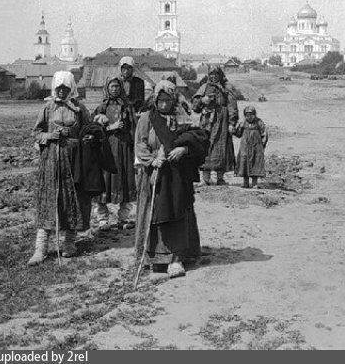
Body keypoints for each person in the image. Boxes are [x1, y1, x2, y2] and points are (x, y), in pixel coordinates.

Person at [134, 80, 209, 278]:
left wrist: (183, 149)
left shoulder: (181, 116)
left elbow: (198, 138)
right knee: (153, 212)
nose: (164, 104)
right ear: (155, 100)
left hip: (177, 177)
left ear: (174, 99)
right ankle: (154, 257)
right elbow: (140, 143)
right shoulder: (147, 118)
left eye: (168, 100)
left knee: (178, 213)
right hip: (154, 176)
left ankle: (177, 258)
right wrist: (151, 161)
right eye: (160, 100)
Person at [28, 71, 93, 265]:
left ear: (71, 88)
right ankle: (41, 248)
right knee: (50, 199)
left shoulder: (79, 108)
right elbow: (36, 133)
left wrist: (86, 137)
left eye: (65, 88)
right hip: (52, 160)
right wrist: (50, 136)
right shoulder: (48, 107)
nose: (62, 92)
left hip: (74, 160)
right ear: (55, 88)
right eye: (59, 88)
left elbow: (89, 130)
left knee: (72, 198)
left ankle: (69, 243)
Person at [92, 76, 137, 229]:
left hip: (124, 147)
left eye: (117, 86)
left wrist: (135, 148)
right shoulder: (101, 107)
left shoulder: (127, 106)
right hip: (107, 148)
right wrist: (103, 123)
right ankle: (103, 218)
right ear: (107, 88)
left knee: (125, 179)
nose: (115, 89)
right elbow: (93, 129)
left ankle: (123, 218)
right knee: (104, 181)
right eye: (112, 86)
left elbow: (134, 128)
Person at [191, 66, 238, 185]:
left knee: (222, 147)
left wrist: (232, 123)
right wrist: (202, 101)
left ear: (220, 75)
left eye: (216, 74)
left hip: (222, 121)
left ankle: (220, 178)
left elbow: (232, 106)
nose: (213, 76)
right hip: (207, 122)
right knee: (205, 146)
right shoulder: (204, 87)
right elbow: (195, 107)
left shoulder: (227, 88)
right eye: (211, 74)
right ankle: (206, 179)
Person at [233, 106, 268, 188]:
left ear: (254, 114)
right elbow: (238, 134)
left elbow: (264, 134)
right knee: (244, 162)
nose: (249, 117)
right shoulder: (243, 123)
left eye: (251, 114)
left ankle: (254, 183)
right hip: (245, 146)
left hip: (256, 147)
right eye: (247, 115)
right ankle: (245, 182)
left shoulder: (259, 122)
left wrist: (262, 145)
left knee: (255, 162)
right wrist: (234, 130)